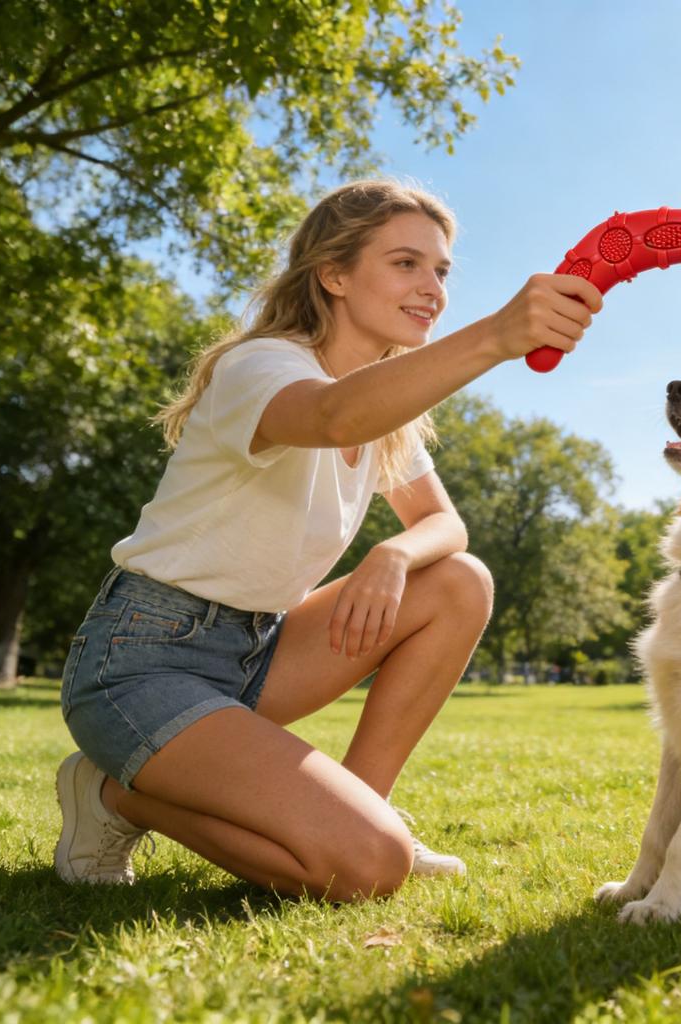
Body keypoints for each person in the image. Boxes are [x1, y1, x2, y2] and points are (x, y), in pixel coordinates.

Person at [55, 179, 601, 900]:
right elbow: (332, 417)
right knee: (367, 868)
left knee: (459, 579)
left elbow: (446, 525)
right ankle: (112, 796)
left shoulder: (389, 411)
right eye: (405, 263)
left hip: (260, 651)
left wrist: (393, 553)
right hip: (143, 661)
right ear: (334, 275)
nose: (433, 288)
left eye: (441, 270)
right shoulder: (261, 366)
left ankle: (370, 807)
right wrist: (497, 337)